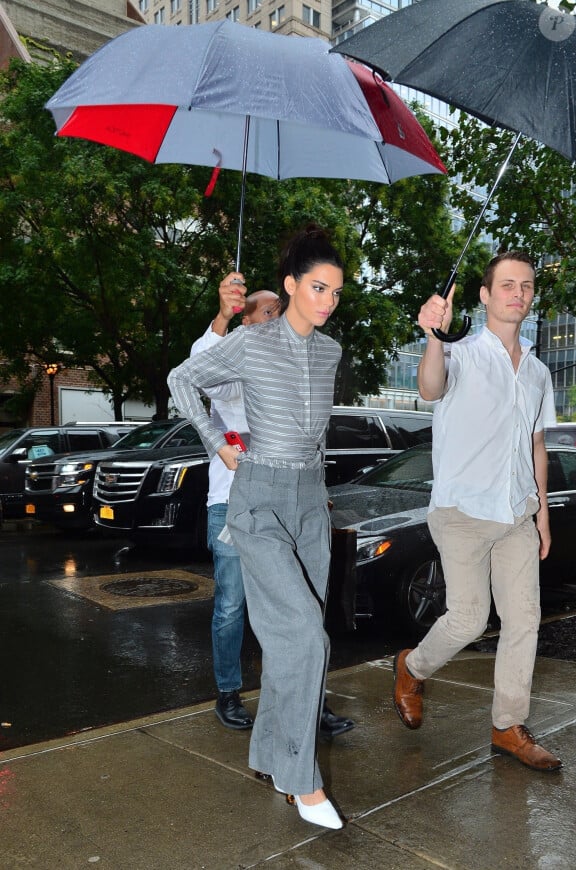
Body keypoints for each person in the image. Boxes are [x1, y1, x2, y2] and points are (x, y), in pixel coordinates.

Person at [168, 226, 346, 829]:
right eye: (317, 287)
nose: (327, 300)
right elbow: (181, 379)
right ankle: (302, 780)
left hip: (308, 502)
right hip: (258, 498)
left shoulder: (331, 352)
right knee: (306, 639)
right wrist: (219, 443)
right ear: (292, 285)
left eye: (336, 292)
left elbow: (313, 430)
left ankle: (269, 754)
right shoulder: (252, 342)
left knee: (291, 642)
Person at [393, 251, 562, 772]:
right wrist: (431, 336)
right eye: (507, 285)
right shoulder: (460, 351)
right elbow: (429, 388)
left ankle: (507, 725)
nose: (519, 293)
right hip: (463, 511)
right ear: (485, 296)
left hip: (516, 514)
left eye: (527, 286)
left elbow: (536, 446)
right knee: (467, 618)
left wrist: (543, 515)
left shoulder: (536, 371)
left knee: (524, 619)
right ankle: (411, 667)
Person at [192, 278, 355, 739]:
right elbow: (196, 367)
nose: (277, 316)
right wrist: (223, 317)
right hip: (233, 505)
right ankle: (228, 693)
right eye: (267, 311)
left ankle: (307, 703)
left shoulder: (301, 361)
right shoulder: (237, 358)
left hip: (292, 503)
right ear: (247, 322)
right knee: (232, 606)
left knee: (299, 608)